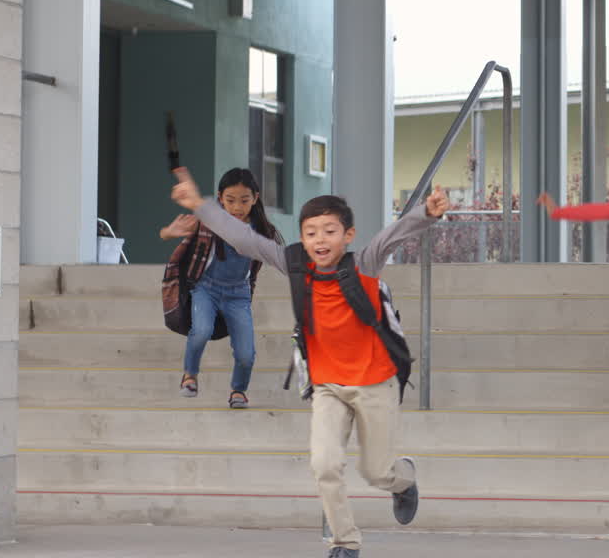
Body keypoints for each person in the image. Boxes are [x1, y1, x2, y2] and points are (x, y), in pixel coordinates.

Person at [169, 167, 448, 558]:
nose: (320, 239)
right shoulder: (295, 265)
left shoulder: (364, 263)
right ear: (302, 237)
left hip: (374, 382)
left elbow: (393, 235)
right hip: (328, 385)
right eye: (311, 232)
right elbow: (244, 239)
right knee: (324, 465)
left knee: (376, 471)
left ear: (347, 235)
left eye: (330, 231)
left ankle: (404, 480)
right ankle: (345, 542)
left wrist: (427, 212)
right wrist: (200, 205)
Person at [160, 167, 281, 409]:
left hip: (238, 294)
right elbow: (164, 234)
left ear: (255, 198)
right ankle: (190, 374)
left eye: (244, 200)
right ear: (220, 198)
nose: (237, 207)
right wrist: (169, 233)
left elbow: (276, 255)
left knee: (246, 353)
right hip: (206, 288)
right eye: (230, 200)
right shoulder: (209, 220)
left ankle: (238, 390)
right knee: (201, 331)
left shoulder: (261, 230)